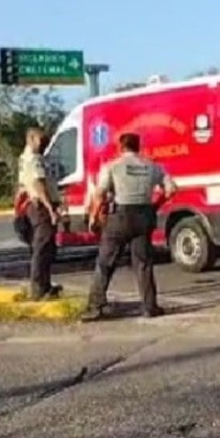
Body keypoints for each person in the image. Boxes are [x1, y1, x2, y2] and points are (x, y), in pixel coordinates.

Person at [82, 132, 177, 322]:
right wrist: (155, 205)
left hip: (120, 216)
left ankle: (95, 307)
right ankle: (150, 306)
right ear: (138, 146)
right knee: (143, 263)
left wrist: (94, 217)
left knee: (105, 262)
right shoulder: (152, 166)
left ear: (121, 147)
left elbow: (100, 194)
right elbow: (172, 189)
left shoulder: (113, 166)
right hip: (144, 216)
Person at [16, 127, 63, 300]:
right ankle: (38, 289)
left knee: (47, 247)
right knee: (42, 247)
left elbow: (23, 186)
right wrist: (50, 208)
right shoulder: (33, 159)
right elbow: (38, 183)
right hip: (41, 206)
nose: (44, 143)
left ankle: (44, 285)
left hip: (39, 204)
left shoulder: (27, 158)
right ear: (31, 139)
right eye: (41, 140)